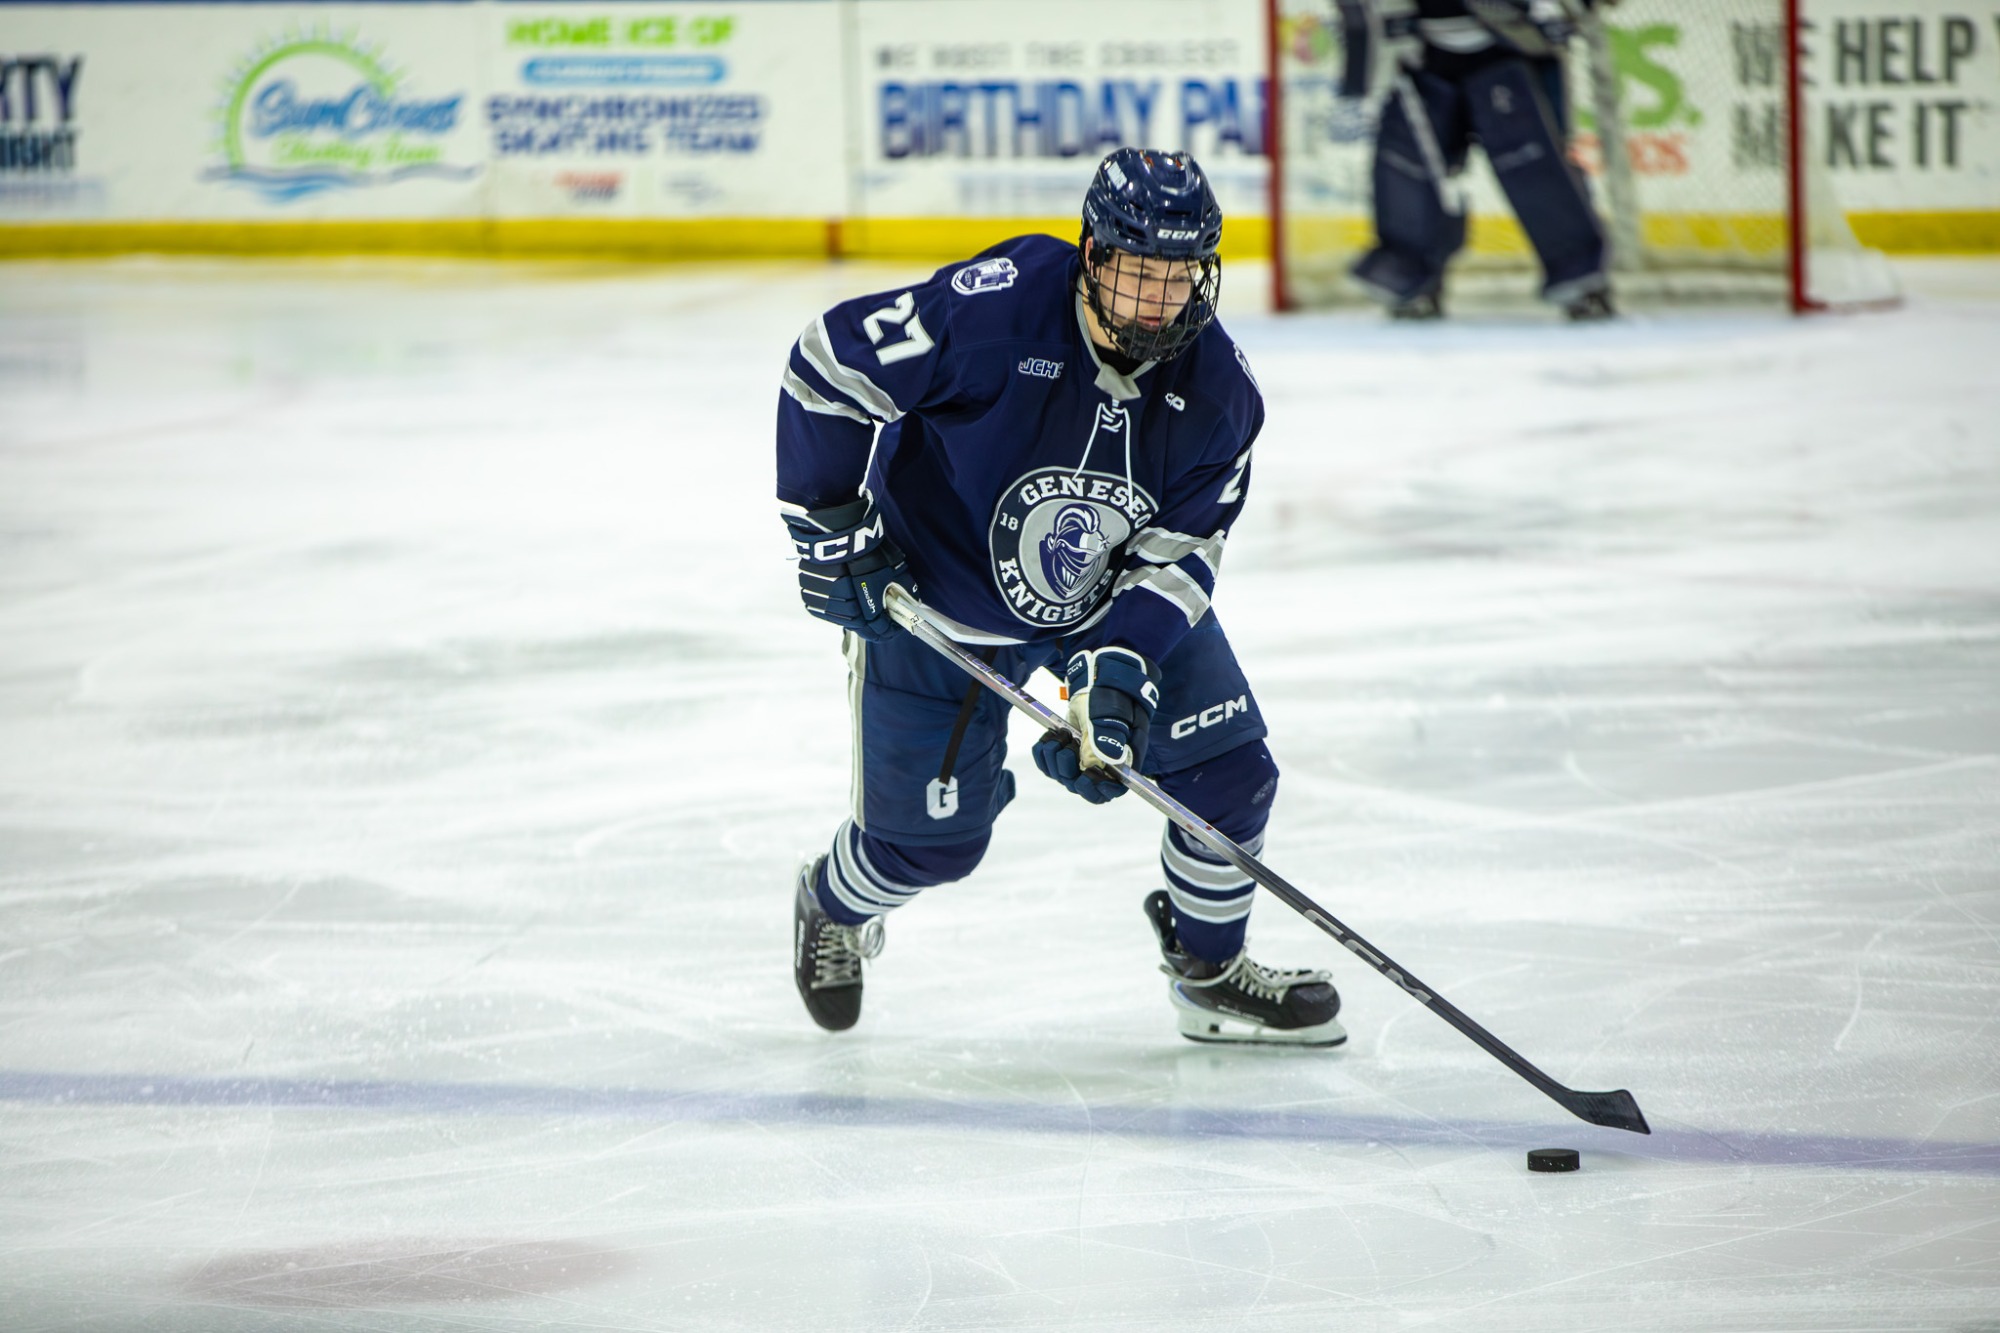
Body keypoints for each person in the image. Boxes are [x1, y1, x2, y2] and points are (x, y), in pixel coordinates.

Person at [774, 148, 1344, 1047]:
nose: (1161, 302)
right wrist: (830, 527)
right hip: (931, 602)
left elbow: (1180, 551)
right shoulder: (994, 308)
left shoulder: (1221, 393)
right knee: (930, 847)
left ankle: (1209, 971)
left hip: (1098, 602)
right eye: (1140, 274)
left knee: (1226, 777)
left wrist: (1117, 676)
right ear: (1093, 257)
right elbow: (827, 368)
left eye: (1182, 277)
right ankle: (831, 902)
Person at [1342, 0, 1616, 320]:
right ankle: (1409, 281)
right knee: (1409, 168)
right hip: (1423, 54)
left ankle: (1580, 281)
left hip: (1514, 48)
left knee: (1534, 165)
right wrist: (1382, 41)